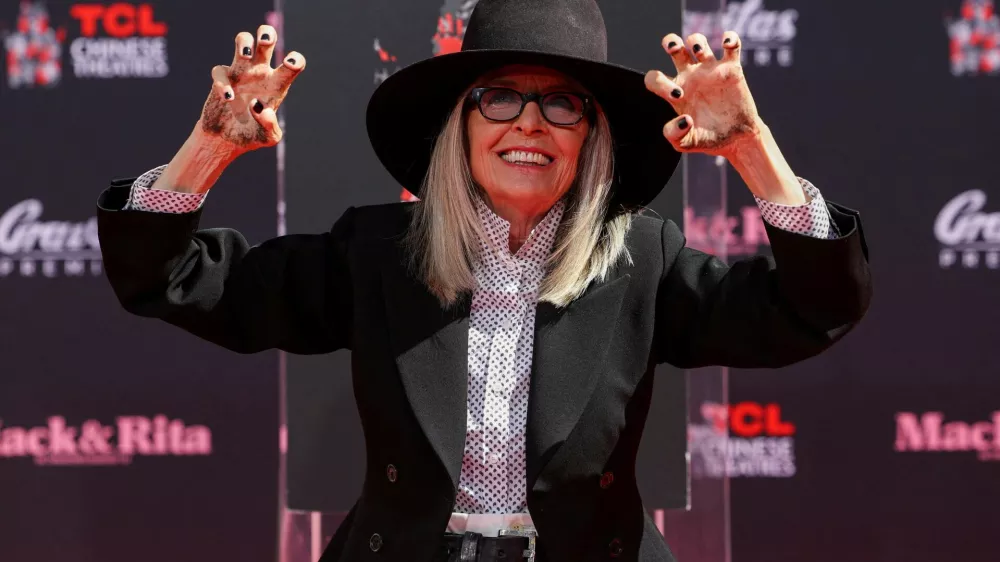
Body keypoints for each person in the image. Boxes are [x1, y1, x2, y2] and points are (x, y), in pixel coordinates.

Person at [96, 0, 871, 560]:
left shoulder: (643, 258)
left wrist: (751, 150)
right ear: (459, 126)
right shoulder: (377, 252)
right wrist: (209, 148)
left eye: (562, 105)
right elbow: (168, 277)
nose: (528, 123)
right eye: (498, 97)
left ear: (592, 139)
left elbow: (812, 308)